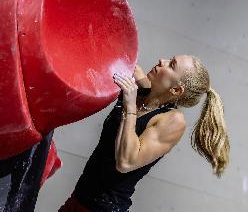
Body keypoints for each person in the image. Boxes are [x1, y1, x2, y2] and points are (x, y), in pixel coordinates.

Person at [59, 54, 230, 212]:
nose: (161, 61)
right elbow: (119, 60)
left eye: (171, 65)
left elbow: (126, 162)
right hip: (79, 197)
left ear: (176, 90)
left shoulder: (172, 120)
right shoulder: (141, 93)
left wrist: (130, 106)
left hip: (103, 208)